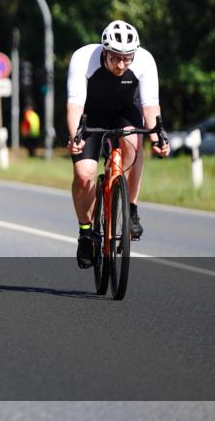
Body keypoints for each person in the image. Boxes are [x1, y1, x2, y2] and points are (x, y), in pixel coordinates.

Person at [66, 20, 169, 269]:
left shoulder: (145, 61)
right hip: (91, 114)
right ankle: (86, 233)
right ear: (104, 51)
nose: (122, 65)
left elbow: (150, 107)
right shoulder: (83, 59)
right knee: (84, 174)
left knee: (134, 142)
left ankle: (131, 208)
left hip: (125, 110)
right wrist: (75, 136)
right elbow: (74, 104)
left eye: (127, 58)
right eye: (115, 58)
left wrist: (158, 138)